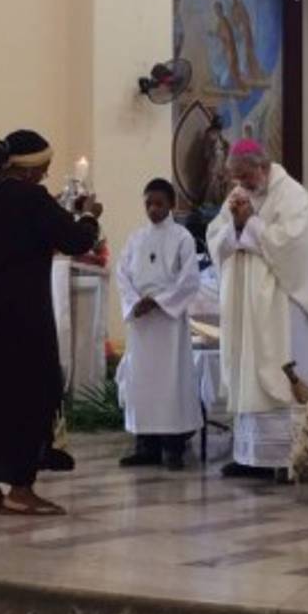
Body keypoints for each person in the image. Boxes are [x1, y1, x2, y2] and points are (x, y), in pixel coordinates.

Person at [0, 129, 101, 516]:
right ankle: (21, 487)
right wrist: (88, 215)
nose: (46, 176)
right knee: (27, 393)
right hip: (19, 317)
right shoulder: (30, 198)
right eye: (45, 169)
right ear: (31, 169)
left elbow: (0, 228)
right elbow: (74, 240)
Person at [206, 139, 308, 479]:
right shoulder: (240, 194)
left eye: (246, 177)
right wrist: (235, 225)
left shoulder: (294, 197)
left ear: (262, 168)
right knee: (248, 370)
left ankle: (287, 457)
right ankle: (250, 456)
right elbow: (216, 235)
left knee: (279, 373)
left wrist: (249, 224)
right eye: (236, 178)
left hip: (285, 307)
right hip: (247, 307)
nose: (242, 186)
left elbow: (293, 246)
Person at [116, 178, 202, 471]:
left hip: (168, 322)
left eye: (159, 203)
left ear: (172, 204)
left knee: (170, 383)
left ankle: (173, 449)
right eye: (148, 203)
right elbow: (122, 274)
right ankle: (145, 446)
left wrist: (160, 301)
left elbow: (189, 278)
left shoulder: (182, 237)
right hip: (142, 323)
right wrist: (133, 303)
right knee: (142, 384)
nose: (153, 209)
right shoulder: (135, 239)